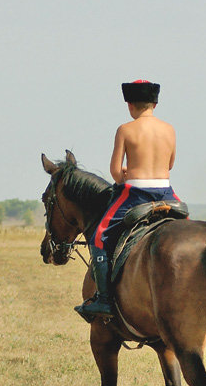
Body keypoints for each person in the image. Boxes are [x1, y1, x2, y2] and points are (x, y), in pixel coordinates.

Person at [75, 80, 180, 321]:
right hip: (167, 192)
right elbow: (170, 165)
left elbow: (115, 173)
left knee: (100, 236)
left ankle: (104, 300)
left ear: (130, 105)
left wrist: (126, 172)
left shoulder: (125, 129)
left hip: (136, 193)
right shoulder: (169, 130)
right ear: (155, 103)